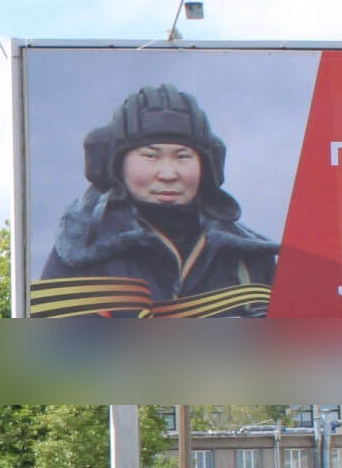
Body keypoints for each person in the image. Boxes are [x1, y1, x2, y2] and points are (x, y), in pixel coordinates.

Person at [28, 83, 277, 319]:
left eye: (183, 156)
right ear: (118, 164)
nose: (168, 173)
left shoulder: (248, 259)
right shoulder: (80, 250)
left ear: (206, 165)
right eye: (151, 156)